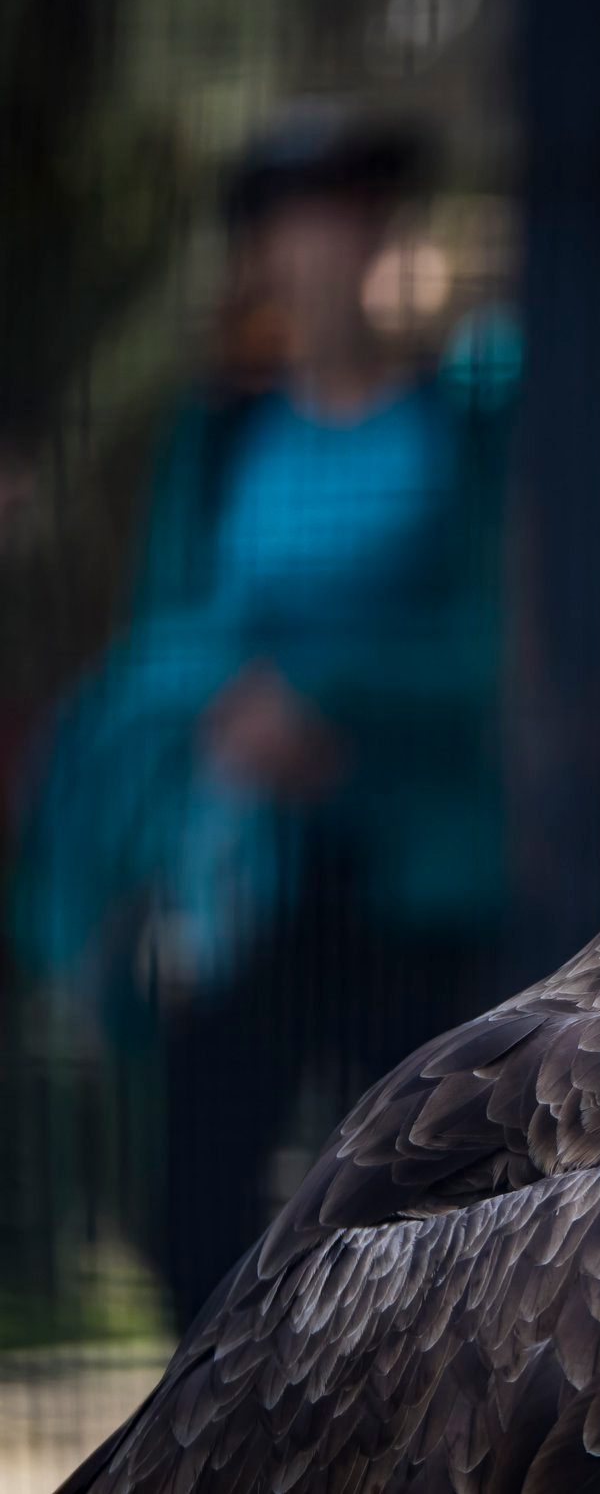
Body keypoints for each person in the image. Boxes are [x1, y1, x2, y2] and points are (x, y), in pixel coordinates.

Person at [9, 102, 516, 1328]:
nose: (330, 248)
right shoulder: (222, 433)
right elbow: (161, 646)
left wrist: (327, 704)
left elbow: (501, 656)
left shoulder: (472, 418)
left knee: (433, 1222)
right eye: (302, 223)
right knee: (201, 1219)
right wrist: (232, 714)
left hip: (410, 893)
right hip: (236, 895)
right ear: (267, 253)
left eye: (355, 216)